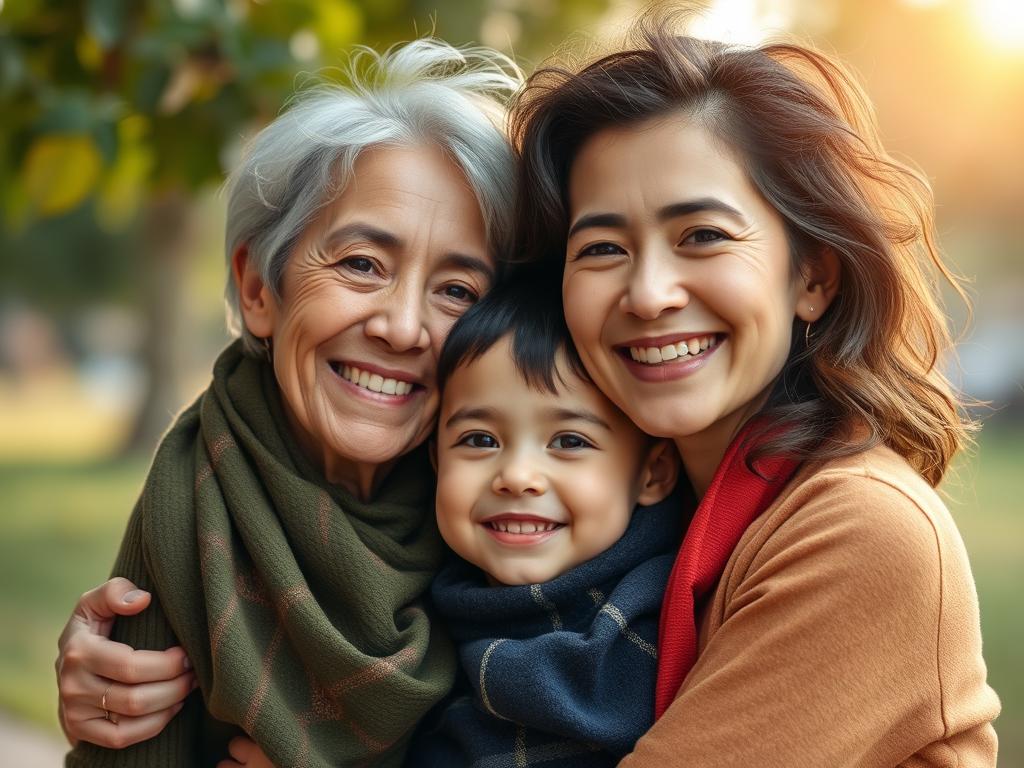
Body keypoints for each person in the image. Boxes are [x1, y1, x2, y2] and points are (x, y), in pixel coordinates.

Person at [508, 10, 1000, 766]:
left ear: (812, 276)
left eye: (702, 235)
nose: (648, 294)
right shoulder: (628, 516)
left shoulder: (863, 531)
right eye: (602, 246)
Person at [58, 38, 521, 767]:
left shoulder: (518, 491)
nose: (402, 327)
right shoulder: (196, 495)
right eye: (362, 264)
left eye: (458, 291)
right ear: (258, 288)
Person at [221, 268, 682, 768]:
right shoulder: (420, 608)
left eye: (569, 442)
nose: (518, 476)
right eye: (480, 440)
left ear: (652, 473)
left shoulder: (644, 636)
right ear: (436, 460)